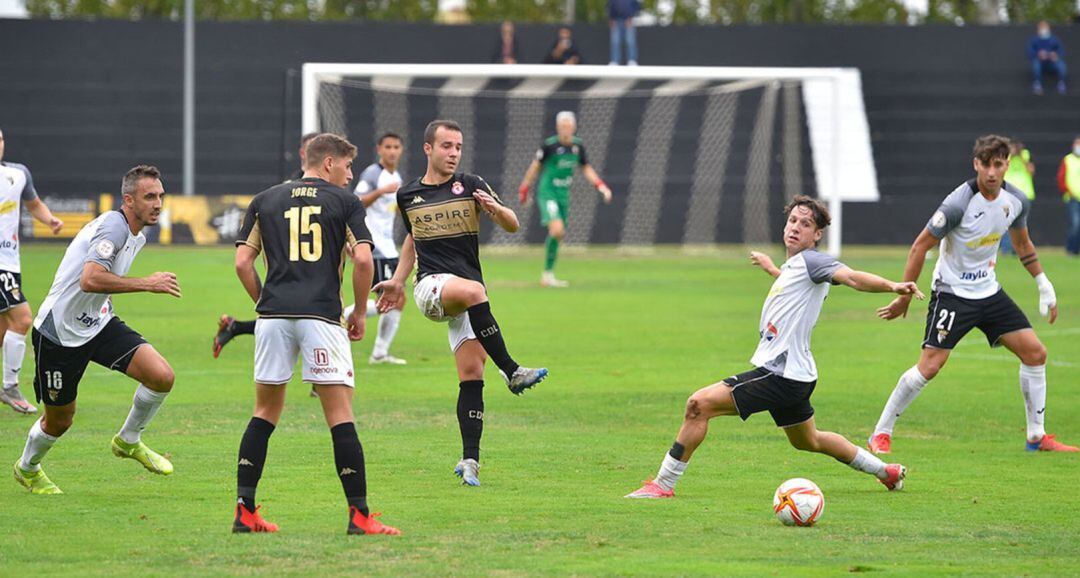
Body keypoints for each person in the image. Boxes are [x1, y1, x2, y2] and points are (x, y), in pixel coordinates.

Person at [625, 195, 916, 499]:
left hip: (781, 374)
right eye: (792, 221)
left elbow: (852, 278)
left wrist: (893, 286)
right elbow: (795, 288)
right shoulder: (795, 267)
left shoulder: (814, 261)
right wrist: (773, 270)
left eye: (805, 224)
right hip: (797, 375)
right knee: (809, 440)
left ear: (817, 235)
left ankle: (663, 484)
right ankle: (887, 472)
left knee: (698, 405)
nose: (795, 228)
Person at [231, 133, 400, 535]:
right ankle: (359, 516)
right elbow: (363, 258)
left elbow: (242, 263)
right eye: (347, 166)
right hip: (322, 317)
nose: (351, 174)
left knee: (264, 413)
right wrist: (359, 311)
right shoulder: (345, 203)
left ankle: (244, 510)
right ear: (328, 164)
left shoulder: (265, 199)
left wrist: (264, 304)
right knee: (339, 415)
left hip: (273, 318)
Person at [869, 134, 1077, 455]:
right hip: (952, 293)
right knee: (930, 367)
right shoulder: (958, 203)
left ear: (1008, 164)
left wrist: (1043, 283)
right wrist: (903, 296)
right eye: (985, 164)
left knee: (1035, 353)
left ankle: (1037, 437)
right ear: (975, 164)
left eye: (998, 164)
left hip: (988, 292)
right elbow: (920, 245)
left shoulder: (1017, 200)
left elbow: (1022, 244)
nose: (992, 172)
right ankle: (881, 433)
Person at [375, 120, 548, 487]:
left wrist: (494, 210)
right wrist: (399, 282)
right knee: (473, 291)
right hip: (431, 288)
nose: (453, 153)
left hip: (466, 296)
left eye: (458, 147)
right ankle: (513, 371)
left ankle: (470, 460)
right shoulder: (408, 195)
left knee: (471, 375)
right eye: (446, 146)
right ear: (428, 149)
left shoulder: (470, 185)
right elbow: (413, 240)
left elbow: (513, 224)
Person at [14, 165, 179, 495]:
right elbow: (89, 279)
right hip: (58, 333)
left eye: (160, 195)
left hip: (99, 323)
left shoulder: (138, 233)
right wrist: (147, 283)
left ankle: (128, 440)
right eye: (149, 197)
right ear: (128, 200)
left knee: (161, 376)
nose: (158, 203)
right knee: (60, 420)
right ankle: (28, 468)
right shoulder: (114, 229)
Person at [214, 131, 321, 358]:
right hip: (299, 266)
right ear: (304, 153)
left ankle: (238, 327)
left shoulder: (331, 191)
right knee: (319, 318)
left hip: (314, 271)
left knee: (293, 320)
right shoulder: (285, 191)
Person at [0, 127, 64, 414]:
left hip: (11, 261)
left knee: (3, 329)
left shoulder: (18, 174)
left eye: (0, 139)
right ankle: (9, 387)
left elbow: (34, 203)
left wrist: (50, 220)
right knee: (23, 319)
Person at [518, 111, 612, 287]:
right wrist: (524, 188)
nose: (565, 129)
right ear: (557, 127)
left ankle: (548, 275)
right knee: (557, 230)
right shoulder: (549, 146)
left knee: (559, 234)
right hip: (548, 193)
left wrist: (601, 185)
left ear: (574, 127)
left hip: (563, 195)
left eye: (568, 126)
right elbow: (535, 167)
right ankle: (547, 275)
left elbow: (586, 168)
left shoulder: (578, 146)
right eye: (562, 126)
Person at [343, 133, 408, 365]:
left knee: (396, 299)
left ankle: (380, 351)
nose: (392, 151)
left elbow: (391, 208)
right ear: (379, 149)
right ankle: (343, 318)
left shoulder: (395, 176)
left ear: (401, 150)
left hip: (388, 246)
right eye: (388, 146)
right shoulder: (373, 174)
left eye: (396, 146)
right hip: (375, 247)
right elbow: (356, 201)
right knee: (391, 299)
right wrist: (381, 191)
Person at [1000, 139, 1035, 254]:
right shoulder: (1004, 156)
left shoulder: (1025, 155)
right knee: (1006, 221)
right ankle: (1006, 248)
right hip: (1008, 193)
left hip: (1024, 193)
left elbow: (1031, 170)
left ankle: (1018, 249)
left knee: (1021, 223)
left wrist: (1021, 157)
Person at [1029, 21, 1067, 95]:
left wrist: (1056, 55)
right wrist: (1038, 54)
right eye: (1041, 28)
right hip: (1040, 62)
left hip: (1052, 62)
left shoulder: (1054, 39)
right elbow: (1030, 52)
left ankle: (1061, 83)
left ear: (1048, 29)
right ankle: (1037, 83)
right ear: (1038, 30)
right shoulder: (1034, 40)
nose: (1043, 30)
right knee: (1035, 65)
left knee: (1062, 65)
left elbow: (1061, 50)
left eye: (1045, 28)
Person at [1058, 135, 1080, 255]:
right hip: (1072, 198)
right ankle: (1071, 249)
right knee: (1075, 224)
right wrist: (1067, 191)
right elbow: (1061, 178)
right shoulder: (1068, 160)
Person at [608, 0, 640, 66]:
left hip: (628, 21)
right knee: (615, 42)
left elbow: (637, 7)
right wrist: (611, 18)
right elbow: (610, 6)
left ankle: (632, 60)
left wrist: (630, 17)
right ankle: (615, 61)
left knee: (630, 41)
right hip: (616, 21)